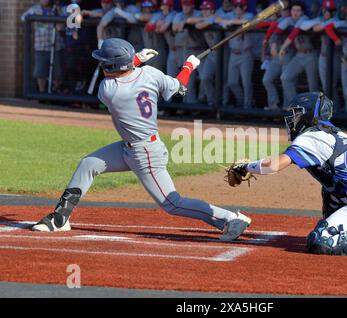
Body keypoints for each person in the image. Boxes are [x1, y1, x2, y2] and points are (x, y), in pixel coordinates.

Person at [32, 38, 251, 242]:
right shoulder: (150, 74)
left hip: (144, 153)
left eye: (105, 62)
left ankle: (231, 219)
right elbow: (179, 87)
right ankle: (60, 218)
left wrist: (135, 58)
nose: (101, 65)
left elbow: (121, 74)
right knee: (88, 164)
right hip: (131, 148)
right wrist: (188, 67)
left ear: (112, 66)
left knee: (172, 203)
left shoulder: (109, 90)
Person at [227, 91, 347, 258]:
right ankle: (337, 229)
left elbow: (274, 166)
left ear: (309, 115)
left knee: (319, 241)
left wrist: (246, 166)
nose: (292, 119)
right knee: (329, 186)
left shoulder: (311, 136)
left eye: (297, 113)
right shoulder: (342, 135)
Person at [278, 1, 319, 109]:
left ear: (302, 12)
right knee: (285, 77)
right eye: (293, 10)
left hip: (310, 55)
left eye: (298, 10)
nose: (295, 12)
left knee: (313, 86)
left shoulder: (304, 19)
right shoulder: (289, 20)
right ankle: (296, 107)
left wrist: (283, 47)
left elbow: (294, 33)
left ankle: (316, 114)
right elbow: (277, 28)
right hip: (299, 55)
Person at [216, 0, 255, 109]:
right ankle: (241, 102)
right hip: (233, 54)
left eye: (240, 6)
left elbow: (248, 21)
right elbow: (216, 18)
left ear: (244, 7)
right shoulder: (229, 15)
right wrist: (224, 21)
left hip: (245, 53)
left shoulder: (249, 15)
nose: (237, 8)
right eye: (236, 6)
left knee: (246, 82)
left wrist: (230, 22)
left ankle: (247, 107)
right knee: (231, 82)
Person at [21, 0, 65, 94]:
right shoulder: (35, 9)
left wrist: (58, 18)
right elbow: (23, 17)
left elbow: (63, 26)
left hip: (56, 46)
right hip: (41, 46)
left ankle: (55, 91)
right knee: (40, 72)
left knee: (58, 73)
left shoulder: (57, 9)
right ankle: (42, 93)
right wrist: (35, 17)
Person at [311, 0, 347, 112]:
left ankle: (335, 110)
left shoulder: (337, 21)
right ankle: (329, 110)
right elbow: (315, 28)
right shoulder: (321, 20)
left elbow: (329, 26)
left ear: (334, 12)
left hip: (334, 57)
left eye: (330, 11)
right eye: (326, 10)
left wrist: (325, 25)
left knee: (331, 85)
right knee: (325, 85)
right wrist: (324, 24)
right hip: (322, 56)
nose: (327, 13)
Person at [261, 1, 298, 110]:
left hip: (288, 54)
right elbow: (267, 25)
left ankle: (288, 107)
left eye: (286, 10)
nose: (284, 12)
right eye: (282, 10)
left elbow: (277, 28)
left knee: (286, 80)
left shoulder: (291, 20)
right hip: (277, 56)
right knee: (267, 79)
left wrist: (270, 42)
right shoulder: (278, 20)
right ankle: (274, 105)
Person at [172, 0, 205, 104]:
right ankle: (189, 105)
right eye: (183, 5)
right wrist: (185, 22)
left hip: (200, 50)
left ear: (193, 5)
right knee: (188, 81)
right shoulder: (179, 15)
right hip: (185, 51)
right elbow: (174, 27)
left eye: (188, 5)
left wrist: (188, 21)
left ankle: (202, 103)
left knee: (204, 78)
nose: (185, 7)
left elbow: (206, 19)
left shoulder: (198, 13)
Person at [195, 0, 219, 107]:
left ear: (212, 10)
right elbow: (197, 26)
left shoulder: (217, 17)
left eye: (207, 9)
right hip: (212, 53)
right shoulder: (204, 19)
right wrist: (208, 20)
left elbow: (218, 19)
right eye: (203, 9)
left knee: (226, 81)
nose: (204, 11)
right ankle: (211, 101)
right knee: (205, 77)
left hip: (224, 54)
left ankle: (223, 104)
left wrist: (210, 20)